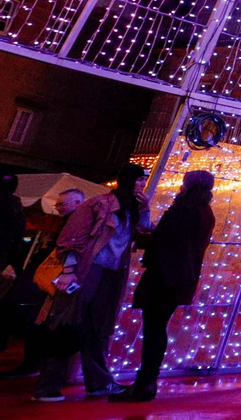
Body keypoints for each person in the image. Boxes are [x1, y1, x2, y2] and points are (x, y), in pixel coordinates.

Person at [35, 163, 151, 401]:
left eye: (144, 180)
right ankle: (48, 386)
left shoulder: (132, 209)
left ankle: (97, 383)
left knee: (97, 327)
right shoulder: (98, 204)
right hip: (87, 269)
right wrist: (69, 270)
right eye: (139, 180)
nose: (142, 185)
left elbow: (144, 230)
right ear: (128, 180)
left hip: (110, 272)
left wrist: (146, 207)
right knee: (66, 321)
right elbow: (71, 238)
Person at [113, 170, 215, 402]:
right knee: (158, 328)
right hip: (182, 278)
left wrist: (142, 234)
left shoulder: (183, 209)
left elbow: (162, 240)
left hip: (165, 277)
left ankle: (145, 382)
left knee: (154, 329)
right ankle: (147, 381)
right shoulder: (205, 211)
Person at [0, 188, 83, 380]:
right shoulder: (69, 224)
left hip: (56, 281)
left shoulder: (74, 226)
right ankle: (37, 365)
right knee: (38, 321)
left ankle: (36, 366)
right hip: (54, 279)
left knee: (39, 321)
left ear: (78, 203)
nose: (58, 208)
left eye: (63, 204)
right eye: (58, 204)